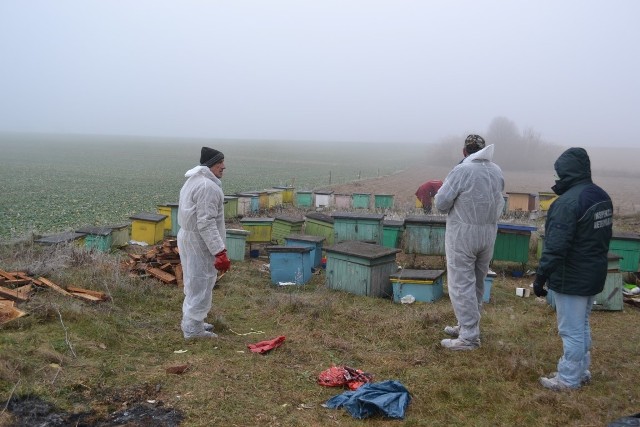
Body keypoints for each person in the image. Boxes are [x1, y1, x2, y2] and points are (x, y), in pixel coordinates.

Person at [533, 147, 613, 391]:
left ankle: (568, 379)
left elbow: (556, 246)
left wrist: (541, 275)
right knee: (582, 324)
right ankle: (581, 370)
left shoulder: (567, 203)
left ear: (567, 171)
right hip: (594, 272)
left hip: (573, 275)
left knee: (571, 330)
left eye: (559, 172)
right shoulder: (600, 196)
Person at [434, 134, 505, 351]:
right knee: (477, 281)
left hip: (463, 234)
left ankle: (469, 337)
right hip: (488, 233)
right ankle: (466, 325)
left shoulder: (462, 170)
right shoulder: (496, 170)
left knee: (460, 283)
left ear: (465, 151)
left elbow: (441, 202)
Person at [177, 147, 231, 339]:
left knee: (194, 281)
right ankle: (192, 329)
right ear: (210, 165)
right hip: (199, 241)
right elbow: (206, 222)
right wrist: (219, 251)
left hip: (190, 237)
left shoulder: (195, 181)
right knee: (201, 281)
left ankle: (193, 321)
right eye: (220, 163)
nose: (223, 166)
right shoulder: (208, 187)